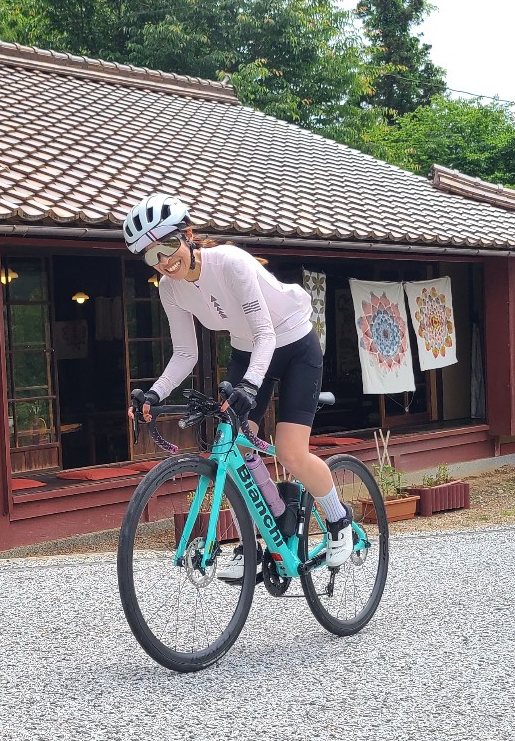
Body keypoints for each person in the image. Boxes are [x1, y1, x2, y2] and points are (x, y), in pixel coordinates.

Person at [121, 195, 356, 568]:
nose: (165, 261)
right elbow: (186, 353)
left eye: (167, 245)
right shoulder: (170, 289)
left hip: (293, 344)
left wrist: (249, 387)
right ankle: (277, 520)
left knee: (291, 451)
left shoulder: (229, 262)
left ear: (188, 235)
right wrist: (155, 392)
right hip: (248, 352)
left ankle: (339, 521)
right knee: (236, 445)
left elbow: (266, 332)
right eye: (152, 256)